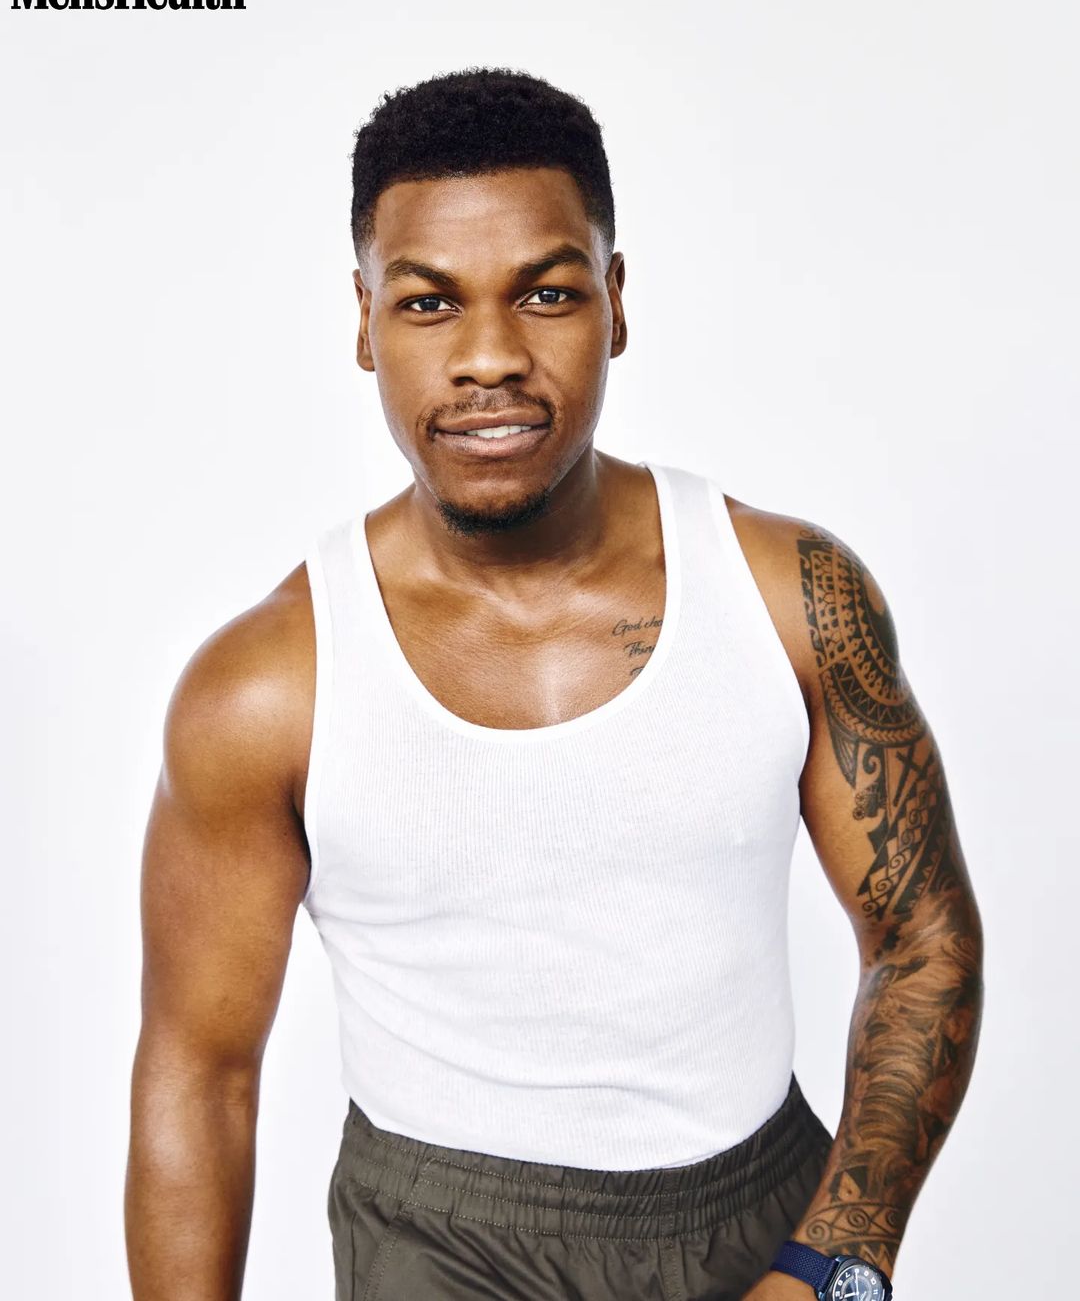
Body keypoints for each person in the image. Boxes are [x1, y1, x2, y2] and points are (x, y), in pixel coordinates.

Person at [124, 69, 984, 1301]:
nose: (489, 357)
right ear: (364, 321)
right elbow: (199, 1073)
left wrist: (833, 1263)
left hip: (768, 1217)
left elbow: (922, 939)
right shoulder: (267, 686)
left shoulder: (790, 598)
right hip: (442, 1245)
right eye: (428, 302)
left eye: (546, 292)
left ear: (615, 302)